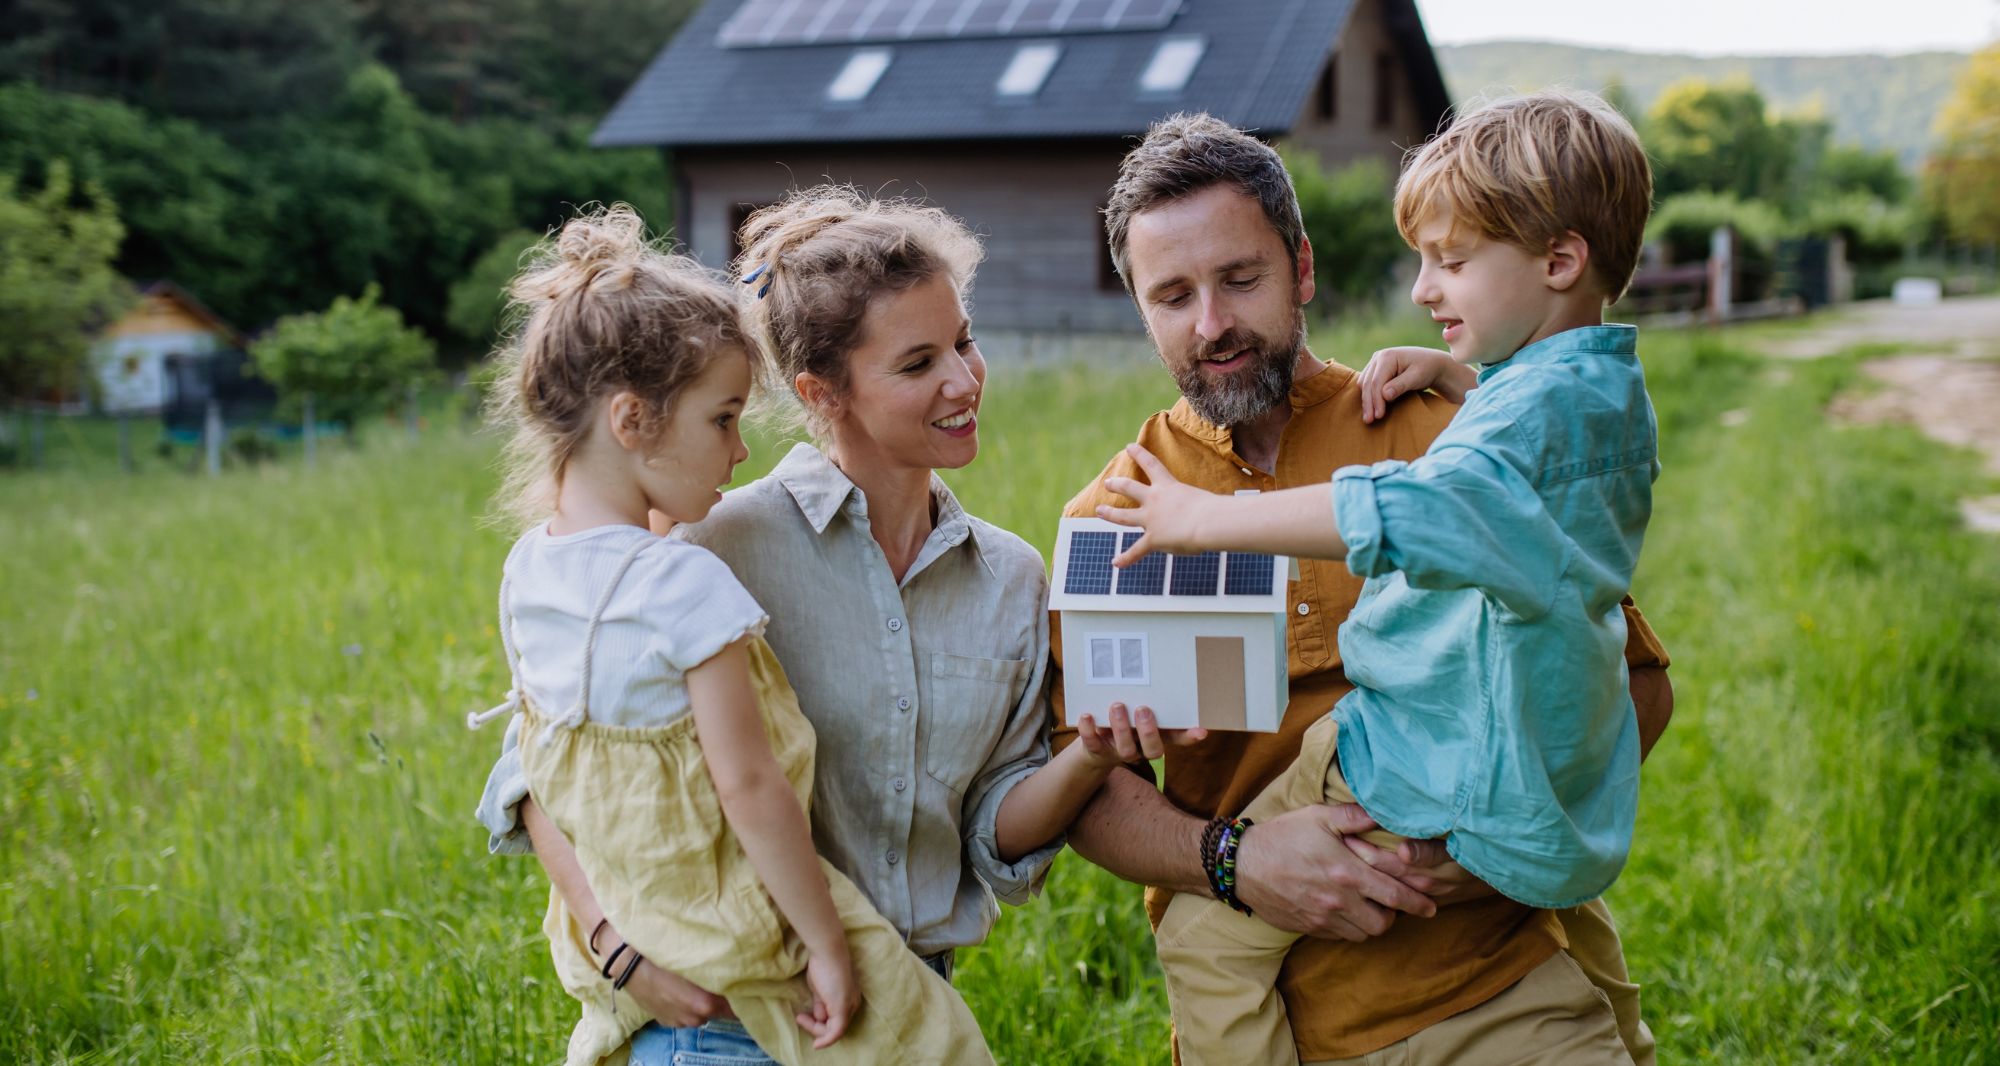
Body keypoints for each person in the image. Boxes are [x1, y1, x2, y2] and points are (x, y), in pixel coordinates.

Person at [474, 191, 1183, 1065]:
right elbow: (543, 764)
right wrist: (619, 955)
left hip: (907, 1015)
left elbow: (992, 832)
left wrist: (1094, 755)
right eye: (918, 362)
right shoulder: (706, 545)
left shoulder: (1008, 579)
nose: (963, 381)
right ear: (822, 391)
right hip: (726, 1023)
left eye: (963, 342)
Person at [1049, 110, 1675, 1066]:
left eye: (1240, 279)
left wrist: (1473, 853)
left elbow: (1628, 685)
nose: (1211, 324)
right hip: (1275, 1020)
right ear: (1141, 305)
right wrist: (1238, 862)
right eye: (1172, 295)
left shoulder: (1438, 431)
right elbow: (1087, 795)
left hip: (1496, 988)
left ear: (1301, 268)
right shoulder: (1117, 514)